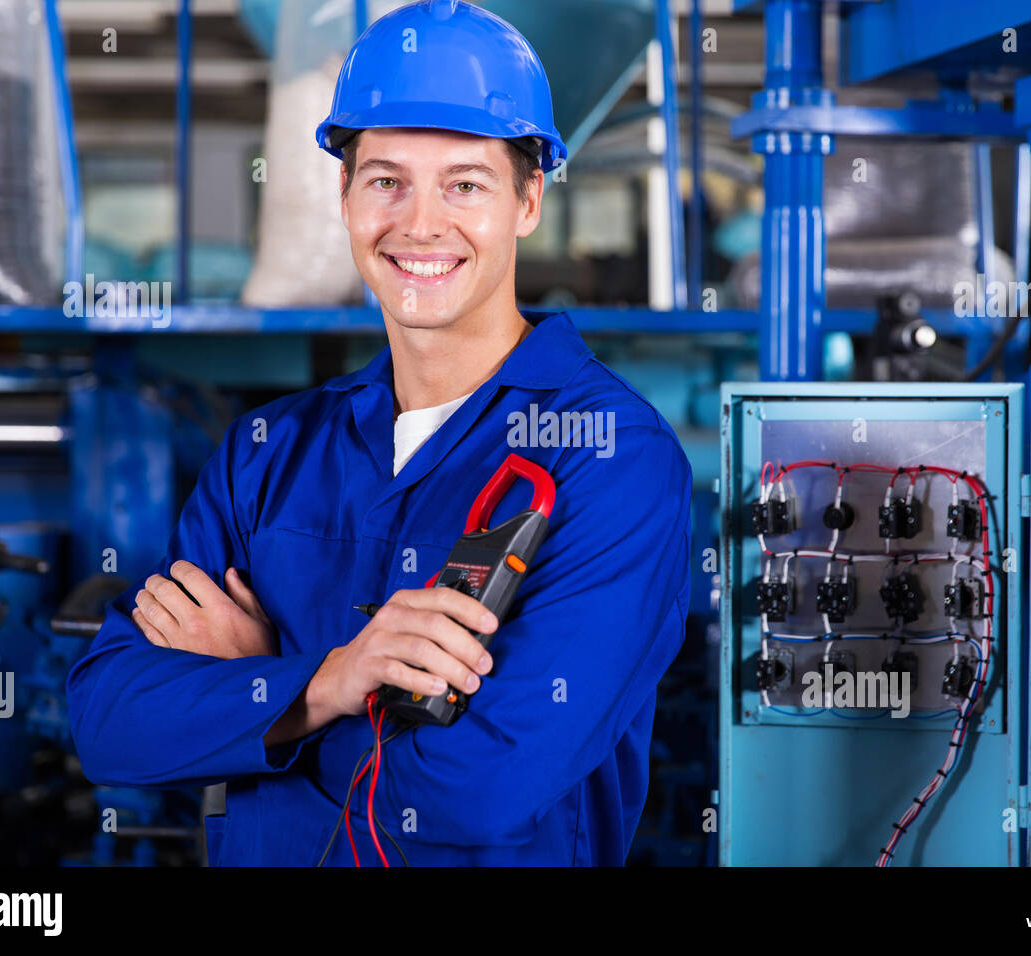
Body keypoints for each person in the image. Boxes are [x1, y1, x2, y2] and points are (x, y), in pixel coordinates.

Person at [66, 0, 692, 866]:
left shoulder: (611, 460)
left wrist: (262, 697)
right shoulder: (269, 452)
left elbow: (479, 792)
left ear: (529, 198)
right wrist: (326, 681)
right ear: (346, 193)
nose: (420, 224)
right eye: (386, 179)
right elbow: (107, 726)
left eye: (465, 184)